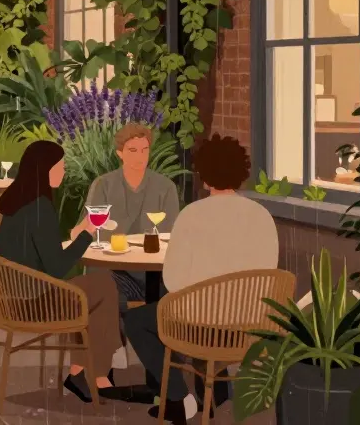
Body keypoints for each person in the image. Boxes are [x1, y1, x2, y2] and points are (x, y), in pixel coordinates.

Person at [117, 134, 279, 424]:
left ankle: (179, 397)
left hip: (199, 326)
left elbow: (173, 280)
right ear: (241, 172)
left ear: (203, 175)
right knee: (194, 307)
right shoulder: (262, 216)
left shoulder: (192, 215)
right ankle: (214, 394)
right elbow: (268, 271)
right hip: (249, 324)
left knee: (139, 321)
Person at [0, 139, 121, 402]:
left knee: (91, 288)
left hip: (8, 298)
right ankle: (92, 373)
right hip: (33, 304)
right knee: (104, 286)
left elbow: (42, 253)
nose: (63, 171)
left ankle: (83, 370)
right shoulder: (41, 207)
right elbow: (57, 267)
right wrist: (86, 235)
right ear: (44, 169)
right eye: (59, 166)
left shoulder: (18, 202)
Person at [85, 123, 180, 310]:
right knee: (103, 284)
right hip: (113, 268)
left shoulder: (165, 187)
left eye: (145, 150)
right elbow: (91, 231)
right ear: (120, 153)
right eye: (133, 150)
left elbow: (171, 234)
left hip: (153, 271)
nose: (140, 156)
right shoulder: (103, 185)